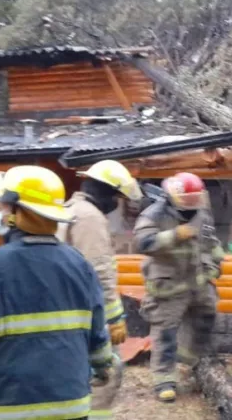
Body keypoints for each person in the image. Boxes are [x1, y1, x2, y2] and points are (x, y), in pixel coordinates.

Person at [0, 165, 113, 420]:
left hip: (0, 408)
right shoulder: (80, 265)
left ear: (18, 212)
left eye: (2, 207)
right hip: (70, 407)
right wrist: (102, 366)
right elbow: (98, 330)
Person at [56, 159, 142, 420]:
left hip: (67, 310)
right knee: (106, 373)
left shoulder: (68, 209)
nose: (116, 203)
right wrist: (115, 318)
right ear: (105, 192)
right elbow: (99, 271)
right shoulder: (89, 217)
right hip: (87, 311)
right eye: (116, 196)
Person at [132, 172, 225, 403]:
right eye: (188, 199)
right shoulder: (154, 214)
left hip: (199, 280)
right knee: (165, 332)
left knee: (207, 317)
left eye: (196, 198)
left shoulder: (201, 213)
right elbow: (142, 243)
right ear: (173, 197)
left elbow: (211, 242)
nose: (192, 204)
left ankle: (193, 359)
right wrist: (174, 235)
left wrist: (216, 263)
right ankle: (164, 380)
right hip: (169, 285)